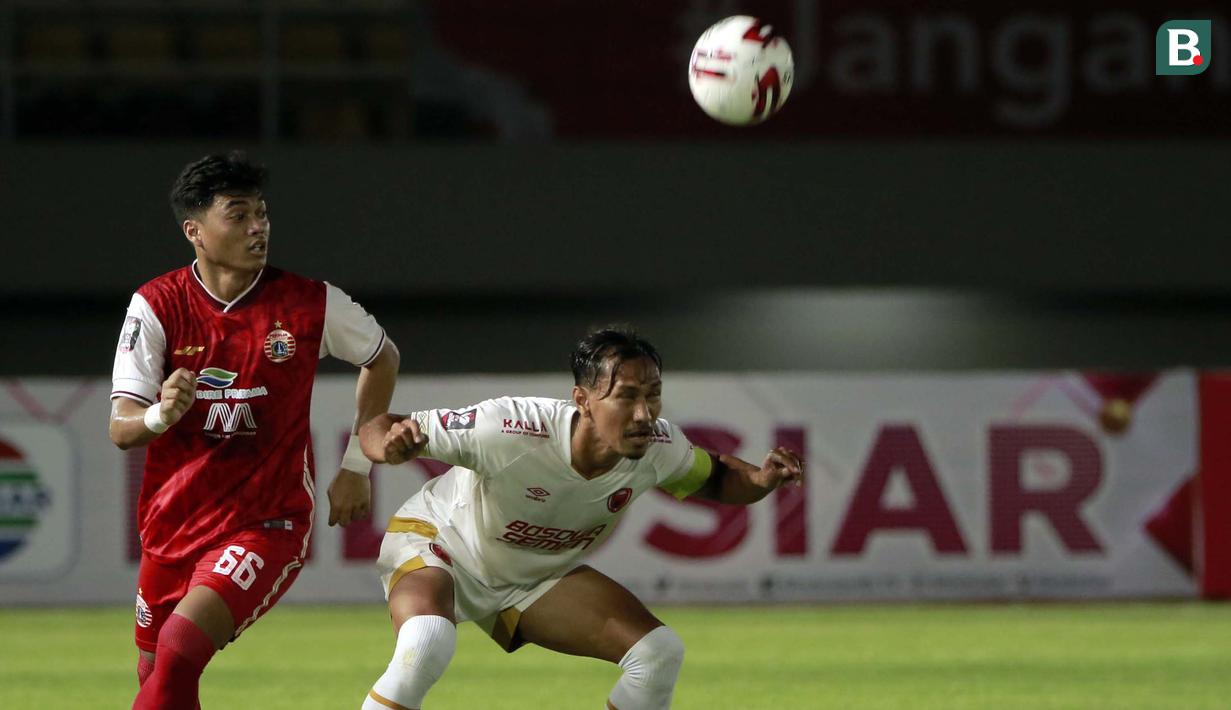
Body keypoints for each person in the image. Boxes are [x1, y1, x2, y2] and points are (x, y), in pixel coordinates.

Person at [357, 327, 805, 710]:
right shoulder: (509, 428)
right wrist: (390, 446)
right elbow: (379, 426)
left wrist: (761, 479)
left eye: (653, 395)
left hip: (531, 577)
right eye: (626, 396)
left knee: (657, 655)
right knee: (428, 640)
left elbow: (718, 478)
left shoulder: (659, 448)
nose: (644, 414)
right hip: (441, 544)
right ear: (583, 400)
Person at [109, 151, 400, 709]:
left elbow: (382, 357)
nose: (258, 227)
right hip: (171, 525)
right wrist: (161, 415)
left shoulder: (311, 303)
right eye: (238, 215)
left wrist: (357, 464)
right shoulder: (156, 305)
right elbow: (122, 428)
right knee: (155, 672)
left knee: (178, 649)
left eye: (261, 213)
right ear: (194, 231)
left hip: (266, 522)